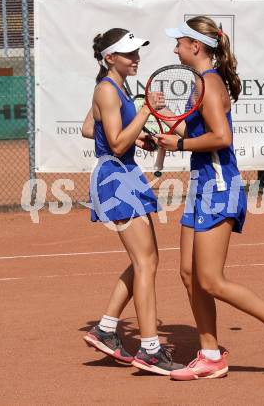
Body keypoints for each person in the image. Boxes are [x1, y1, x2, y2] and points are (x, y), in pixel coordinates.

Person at [156, 16, 264, 381]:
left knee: (210, 280)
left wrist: (179, 143)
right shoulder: (201, 84)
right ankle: (210, 355)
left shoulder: (208, 83)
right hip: (201, 185)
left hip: (219, 187)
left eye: (179, 43)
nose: (174, 49)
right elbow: (199, 134)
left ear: (196, 47)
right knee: (189, 275)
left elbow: (221, 137)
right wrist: (162, 140)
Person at [81, 28, 183, 376]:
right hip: (115, 179)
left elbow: (87, 128)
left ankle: (106, 329)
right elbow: (115, 143)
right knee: (146, 262)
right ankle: (150, 349)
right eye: (128, 54)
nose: (135, 58)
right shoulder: (107, 90)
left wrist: (140, 136)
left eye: (137, 52)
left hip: (124, 176)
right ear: (110, 58)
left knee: (146, 260)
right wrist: (144, 113)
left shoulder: (113, 89)